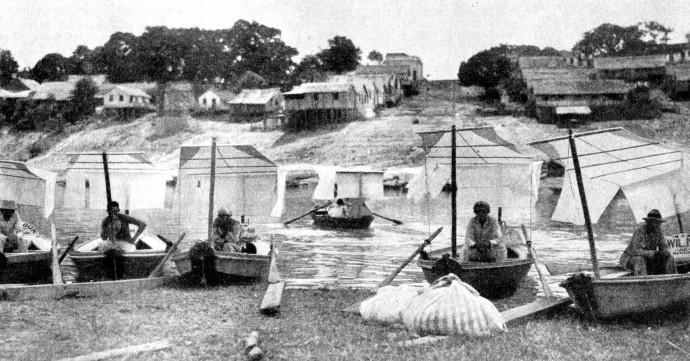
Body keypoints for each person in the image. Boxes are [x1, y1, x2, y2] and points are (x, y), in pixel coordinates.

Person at [619, 209, 677, 276]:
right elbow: (635, 250)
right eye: (654, 222)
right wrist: (651, 253)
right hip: (629, 259)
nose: (657, 225)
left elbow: (663, 246)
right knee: (640, 260)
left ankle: (673, 278)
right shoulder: (639, 231)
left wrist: (665, 252)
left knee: (670, 257)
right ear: (648, 222)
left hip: (648, 259)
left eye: (658, 222)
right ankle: (642, 282)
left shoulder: (659, 232)